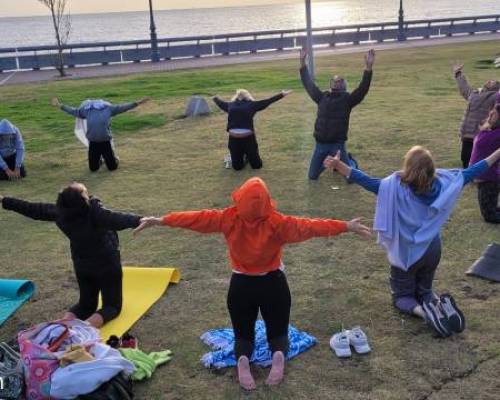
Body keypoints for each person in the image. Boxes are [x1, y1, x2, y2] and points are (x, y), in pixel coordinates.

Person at [133, 177, 370, 390]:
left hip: (240, 287)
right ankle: (278, 355)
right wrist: (345, 226)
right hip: (274, 285)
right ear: (267, 202)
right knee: (278, 332)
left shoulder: (228, 217)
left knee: (243, 336)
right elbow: (310, 226)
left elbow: (196, 218)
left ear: (240, 199)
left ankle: (243, 361)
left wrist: (162, 220)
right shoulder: (278, 222)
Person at [324, 145, 500, 337]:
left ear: (407, 168)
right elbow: (478, 168)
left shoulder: (393, 188)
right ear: (432, 169)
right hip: (433, 249)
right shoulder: (448, 182)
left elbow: (363, 179)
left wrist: (338, 164)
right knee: (424, 290)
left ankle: (426, 313)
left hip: (407, 253)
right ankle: (439, 305)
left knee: (402, 296)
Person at [0, 182, 142, 328]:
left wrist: (4, 200)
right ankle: (80, 331)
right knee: (112, 307)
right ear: (83, 200)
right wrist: (140, 220)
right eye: (85, 192)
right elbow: (118, 218)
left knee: (85, 305)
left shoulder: (59, 212)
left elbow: (31, 208)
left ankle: (60, 328)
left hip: (82, 265)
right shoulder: (95, 214)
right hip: (107, 264)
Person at [300, 48, 375, 180]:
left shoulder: (347, 100)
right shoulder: (322, 97)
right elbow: (308, 84)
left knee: (350, 179)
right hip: (320, 145)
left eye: (339, 80)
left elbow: (363, 89)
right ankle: (331, 162)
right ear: (330, 84)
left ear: (343, 85)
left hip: (337, 145)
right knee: (312, 176)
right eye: (333, 80)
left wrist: (368, 67)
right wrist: (302, 62)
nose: (336, 81)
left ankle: (350, 162)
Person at [51, 97, 150, 172]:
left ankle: (114, 159)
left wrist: (138, 103)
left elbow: (123, 107)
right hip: (93, 143)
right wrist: (60, 105)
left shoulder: (109, 109)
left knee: (112, 168)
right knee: (93, 169)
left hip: (105, 142)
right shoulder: (87, 110)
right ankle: (101, 160)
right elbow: (73, 111)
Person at [212, 89, 291, 170]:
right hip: (234, 140)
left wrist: (281, 94)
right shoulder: (230, 105)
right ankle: (244, 156)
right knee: (237, 167)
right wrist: (215, 98)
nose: (241, 95)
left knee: (257, 166)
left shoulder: (250, 105)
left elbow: (267, 101)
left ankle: (246, 156)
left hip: (248, 139)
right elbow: (220, 103)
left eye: (242, 94)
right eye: (240, 94)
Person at [453, 61, 499, 168]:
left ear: (496, 87)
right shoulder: (475, 94)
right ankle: (468, 175)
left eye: (492, 82)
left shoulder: (495, 96)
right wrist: (458, 74)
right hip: (467, 133)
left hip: (479, 132)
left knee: (477, 157)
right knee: (465, 158)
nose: (489, 81)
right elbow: (465, 89)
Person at [469, 103, 500, 223]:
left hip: (489, 179)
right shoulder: (488, 128)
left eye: (495, 112)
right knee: (490, 210)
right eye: (492, 110)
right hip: (481, 178)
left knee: (489, 216)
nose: (491, 113)